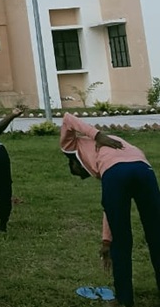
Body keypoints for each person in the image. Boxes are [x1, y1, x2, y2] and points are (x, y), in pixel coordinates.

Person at [61, 113, 160, 307]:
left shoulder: (69, 145)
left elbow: (67, 118)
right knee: (156, 234)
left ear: (74, 161)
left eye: (81, 173)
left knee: (122, 241)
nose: (86, 175)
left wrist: (96, 134)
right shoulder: (113, 147)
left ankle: (124, 299)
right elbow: (109, 207)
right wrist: (106, 240)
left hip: (118, 174)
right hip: (144, 171)